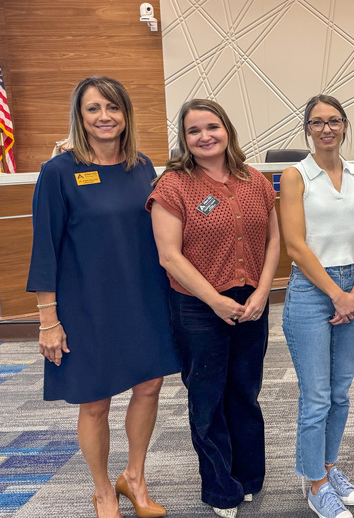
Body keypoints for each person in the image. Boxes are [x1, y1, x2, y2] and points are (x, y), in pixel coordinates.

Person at [27, 76, 180, 518]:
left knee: (149, 385)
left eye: (112, 108)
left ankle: (134, 477)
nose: (104, 117)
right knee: (95, 399)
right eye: (94, 109)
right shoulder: (58, 171)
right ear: (80, 115)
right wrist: (48, 319)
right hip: (87, 306)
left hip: (143, 297)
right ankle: (102, 491)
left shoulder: (143, 166)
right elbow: (45, 249)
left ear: (125, 114)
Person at [148, 99, 280, 518]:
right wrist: (215, 299)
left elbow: (273, 241)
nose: (205, 136)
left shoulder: (254, 179)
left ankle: (250, 477)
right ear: (184, 139)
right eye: (193, 130)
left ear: (227, 130)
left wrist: (262, 292)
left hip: (251, 302)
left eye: (212, 127)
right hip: (197, 306)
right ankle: (221, 489)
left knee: (245, 391)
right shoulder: (173, 185)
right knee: (207, 398)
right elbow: (170, 256)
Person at [279, 94, 354, 518]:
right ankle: (314, 483)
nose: (326, 129)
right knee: (316, 396)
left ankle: (329, 466)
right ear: (307, 129)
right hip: (311, 291)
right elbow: (295, 245)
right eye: (317, 122)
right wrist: (337, 294)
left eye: (334, 121)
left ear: (345, 125)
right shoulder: (296, 175)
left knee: (340, 391)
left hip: (353, 286)